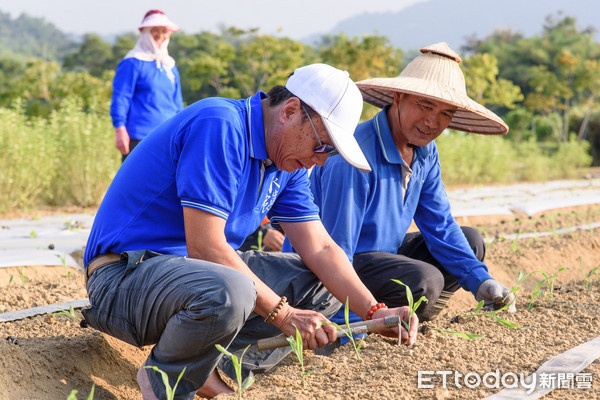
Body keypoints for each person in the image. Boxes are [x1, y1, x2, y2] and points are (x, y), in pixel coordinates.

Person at [82, 63, 418, 400]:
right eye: (323, 146)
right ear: (290, 111)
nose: (322, 161)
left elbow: (320, 248)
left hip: (193, 280)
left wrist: (375, 311)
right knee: (234, 289)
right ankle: (166, 382)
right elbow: (205, 246)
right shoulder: (220, 125)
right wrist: (283, 314)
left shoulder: (287, 164)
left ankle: (206, 370)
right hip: (123, 280)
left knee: (322, 288)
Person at [285, 43, 516, 327]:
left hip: (381, 258)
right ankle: (366, 322)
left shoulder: (425, 152)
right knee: (424, 281)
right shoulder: (354, 156)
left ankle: (413, 315)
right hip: (325, 268)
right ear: (397, 96)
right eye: (425, 105)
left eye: (446, 113)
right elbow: (333, 248)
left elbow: (439, 224)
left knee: (470, 241)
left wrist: (482, 282)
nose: (432, 121)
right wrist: (347, 327)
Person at [110, 9, 184, 161]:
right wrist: (120, 129)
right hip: (139, 137)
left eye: (164, 31)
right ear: (146, 32)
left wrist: (181, 132)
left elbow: (177, 103)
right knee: (136, 184)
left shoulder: (169, 66)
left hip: (168, 137)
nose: (160, 35)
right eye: (155, 30)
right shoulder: (132, 62)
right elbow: (121, 97)